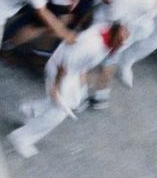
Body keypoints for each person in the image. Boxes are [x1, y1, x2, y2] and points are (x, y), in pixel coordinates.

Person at [7, 19, 126, 158]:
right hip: (59, 71)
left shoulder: (105, 35)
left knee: (72, 102)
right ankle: (21, 138)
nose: (123, 44)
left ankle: (32, 110)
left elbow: (82, 63)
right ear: (113, 35)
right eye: (121, 40)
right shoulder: (91, 46)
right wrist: (56, 88)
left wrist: (82, 86)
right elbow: (64, 65)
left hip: (71, 71)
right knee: (58, 112)